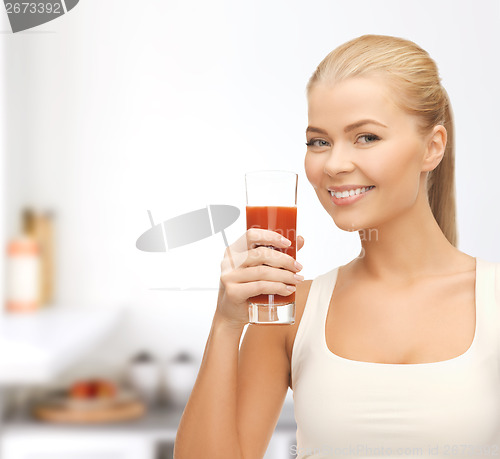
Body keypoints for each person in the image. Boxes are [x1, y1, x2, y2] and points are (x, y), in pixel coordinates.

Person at [174, 35, 500, 458]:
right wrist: (226, 324)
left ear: (432, 147)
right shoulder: (289, 313)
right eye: (319, 141)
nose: (334, 164)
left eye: (366, 137)